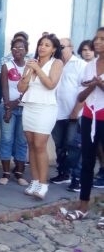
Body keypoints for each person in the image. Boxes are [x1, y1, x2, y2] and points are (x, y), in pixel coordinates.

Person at [64, 27, 104, 230]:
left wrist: (99, 84)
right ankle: (83, 205)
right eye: (96, 38)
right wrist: (93, 85)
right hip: (89, 116)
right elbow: (81, 96)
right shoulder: (89, 66)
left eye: (102, 39)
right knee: (87, 161)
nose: (97, 42)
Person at [18, 33, 64, 200]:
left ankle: (44, 184)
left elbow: (51, 84)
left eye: (47, 45)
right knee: (30, 143)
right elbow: (21, 87)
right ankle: (35, 181)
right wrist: (29, 72)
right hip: (30, 105)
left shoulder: (56, 63)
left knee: (40, 144)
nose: (42, 47)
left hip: (46, 107)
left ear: (53, 49)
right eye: (41, 44)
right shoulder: (31, 62)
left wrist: (38, 70)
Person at [48, 38, 85, 185]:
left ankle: (75, 176)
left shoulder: (80, 65)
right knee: (59, 145)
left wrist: (76, 111)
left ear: (71, 47)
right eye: (58, 46)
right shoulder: (54, 63)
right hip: (55, 112)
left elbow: (84, 89)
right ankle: (62, 173)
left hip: (72, 113)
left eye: (62, 46)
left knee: (73, 145)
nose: (59, 49)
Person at [0, 36, 29, 186]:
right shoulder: (7, 65)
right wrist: (8, 108)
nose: (17, 51)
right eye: (15, 48)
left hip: (26, 108)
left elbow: (31, 88)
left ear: (26, 50)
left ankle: (20, 174)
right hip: (7, 106)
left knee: (22, 141)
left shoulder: (31, 67)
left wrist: (17, 103)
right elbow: (4, 88)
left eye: (21, 48)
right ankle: (6, 173)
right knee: (7, 139)